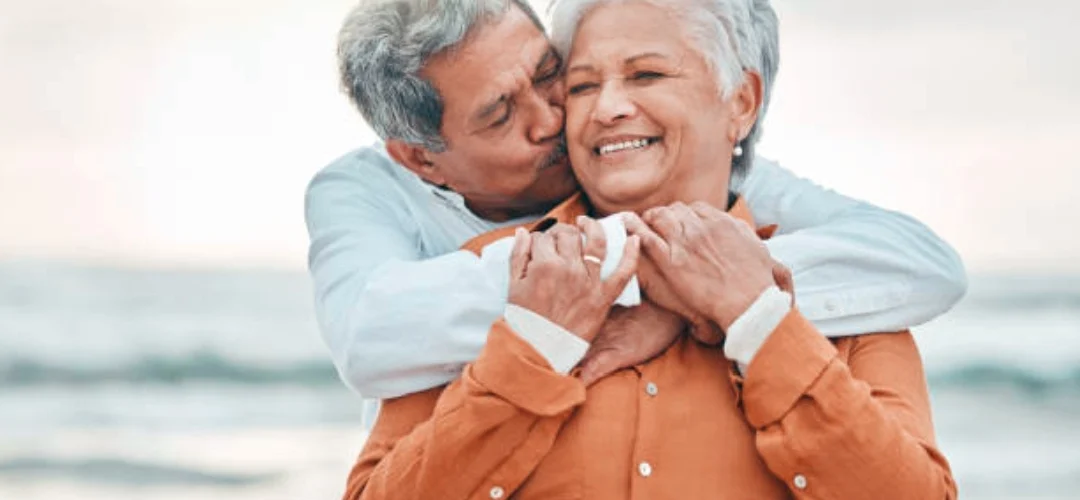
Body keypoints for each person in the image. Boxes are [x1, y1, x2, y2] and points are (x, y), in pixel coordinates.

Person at [333, 0, 958, 498]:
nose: (607, 108)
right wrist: (531, 352)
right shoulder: (488, 277)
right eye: (580, 86)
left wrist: (761, 325)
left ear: (740, 101)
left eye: (647, 74)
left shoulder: (852, 298)